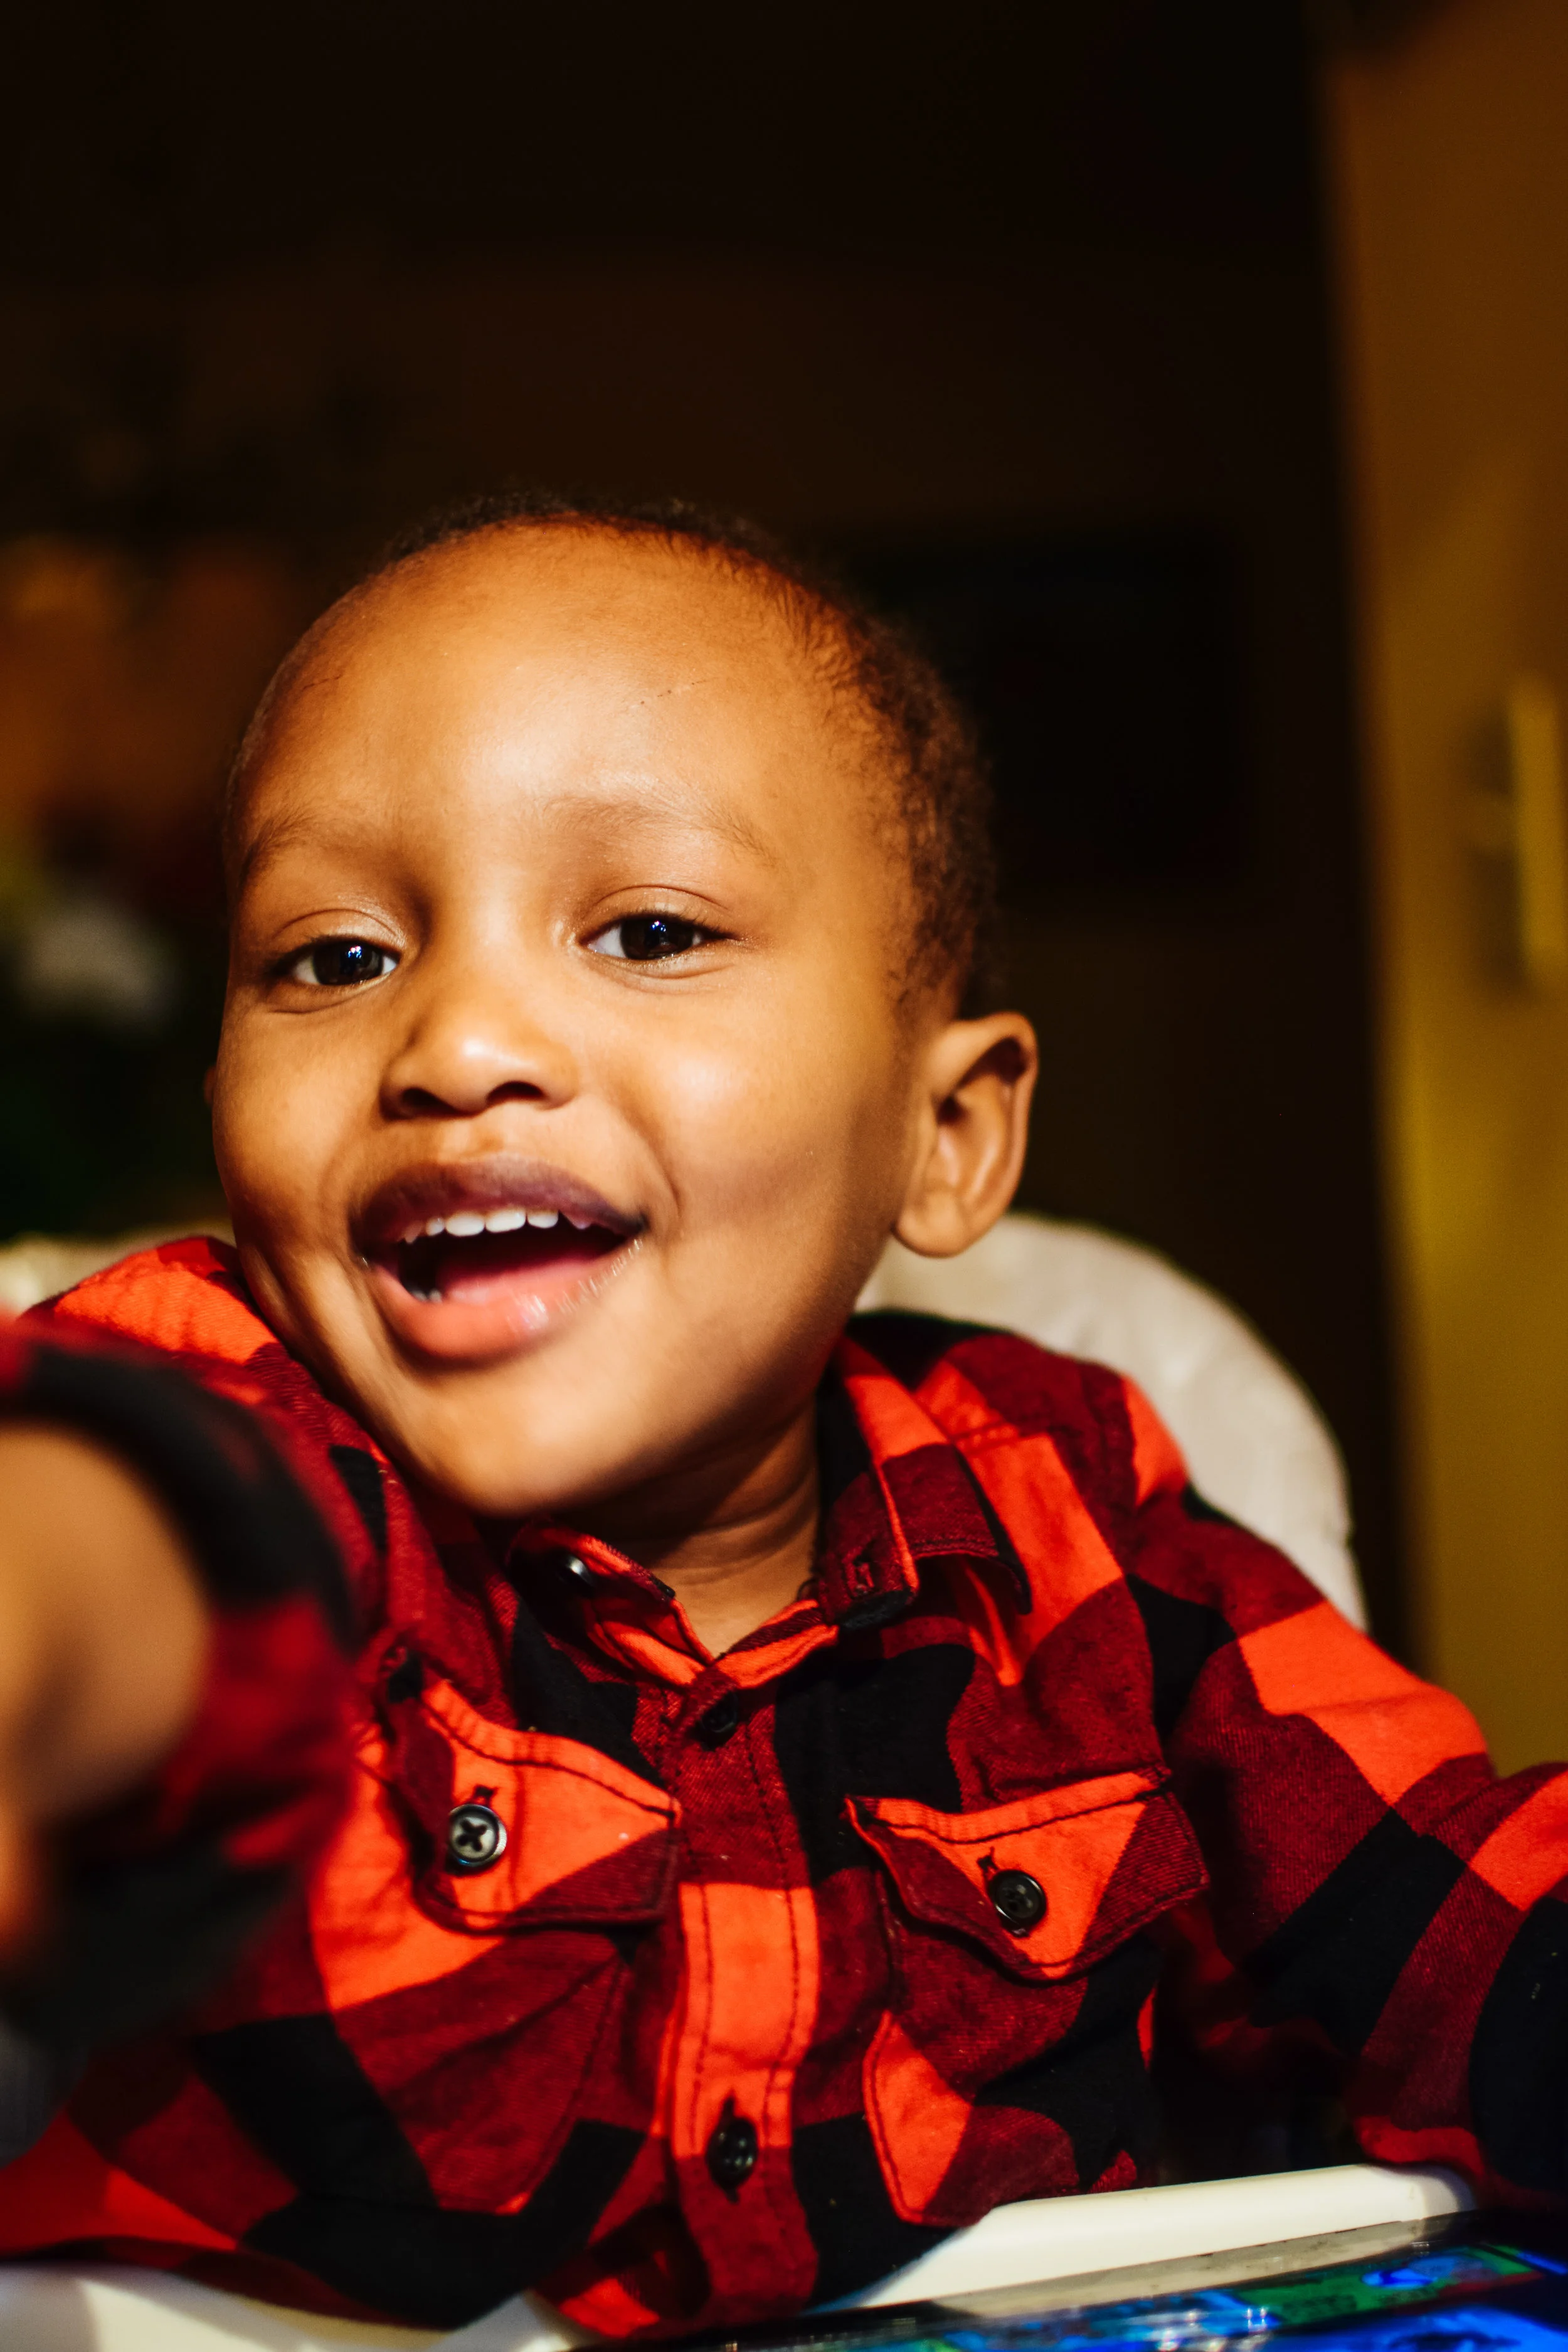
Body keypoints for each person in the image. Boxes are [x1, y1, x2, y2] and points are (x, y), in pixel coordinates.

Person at [0, 494, 1562, 2338]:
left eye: (645, 927)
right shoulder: (237, 1429)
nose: (456, 1041)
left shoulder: (1079, 1530)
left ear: (944, 1130)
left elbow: (1470, 1927)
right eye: (334, 956)